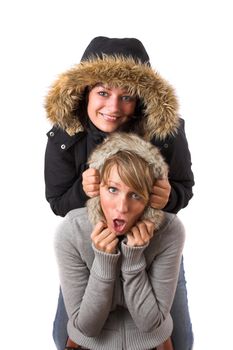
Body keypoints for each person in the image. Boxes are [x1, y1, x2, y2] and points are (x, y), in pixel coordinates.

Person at [44, 36, 194, 349]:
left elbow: (184, 188)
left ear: (140, 99)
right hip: (90, 247)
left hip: (154, 244)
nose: (113, 107)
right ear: (85, 90)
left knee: (179, 340)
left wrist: (169, 197)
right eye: (102, 93)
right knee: (65, 336)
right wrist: (83, 191)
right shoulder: (65, 133)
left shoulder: (167, 132)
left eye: (126, 97)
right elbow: (58, 202)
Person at [54, 132, 185, 350]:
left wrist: (133, 261)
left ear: (151, 198)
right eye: (112, 189)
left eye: (135, 195)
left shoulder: (169, 231)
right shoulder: (72, 231)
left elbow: (150, 324)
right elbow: (86, 328)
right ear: (97, 189)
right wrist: (104, 261)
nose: (122, 207)